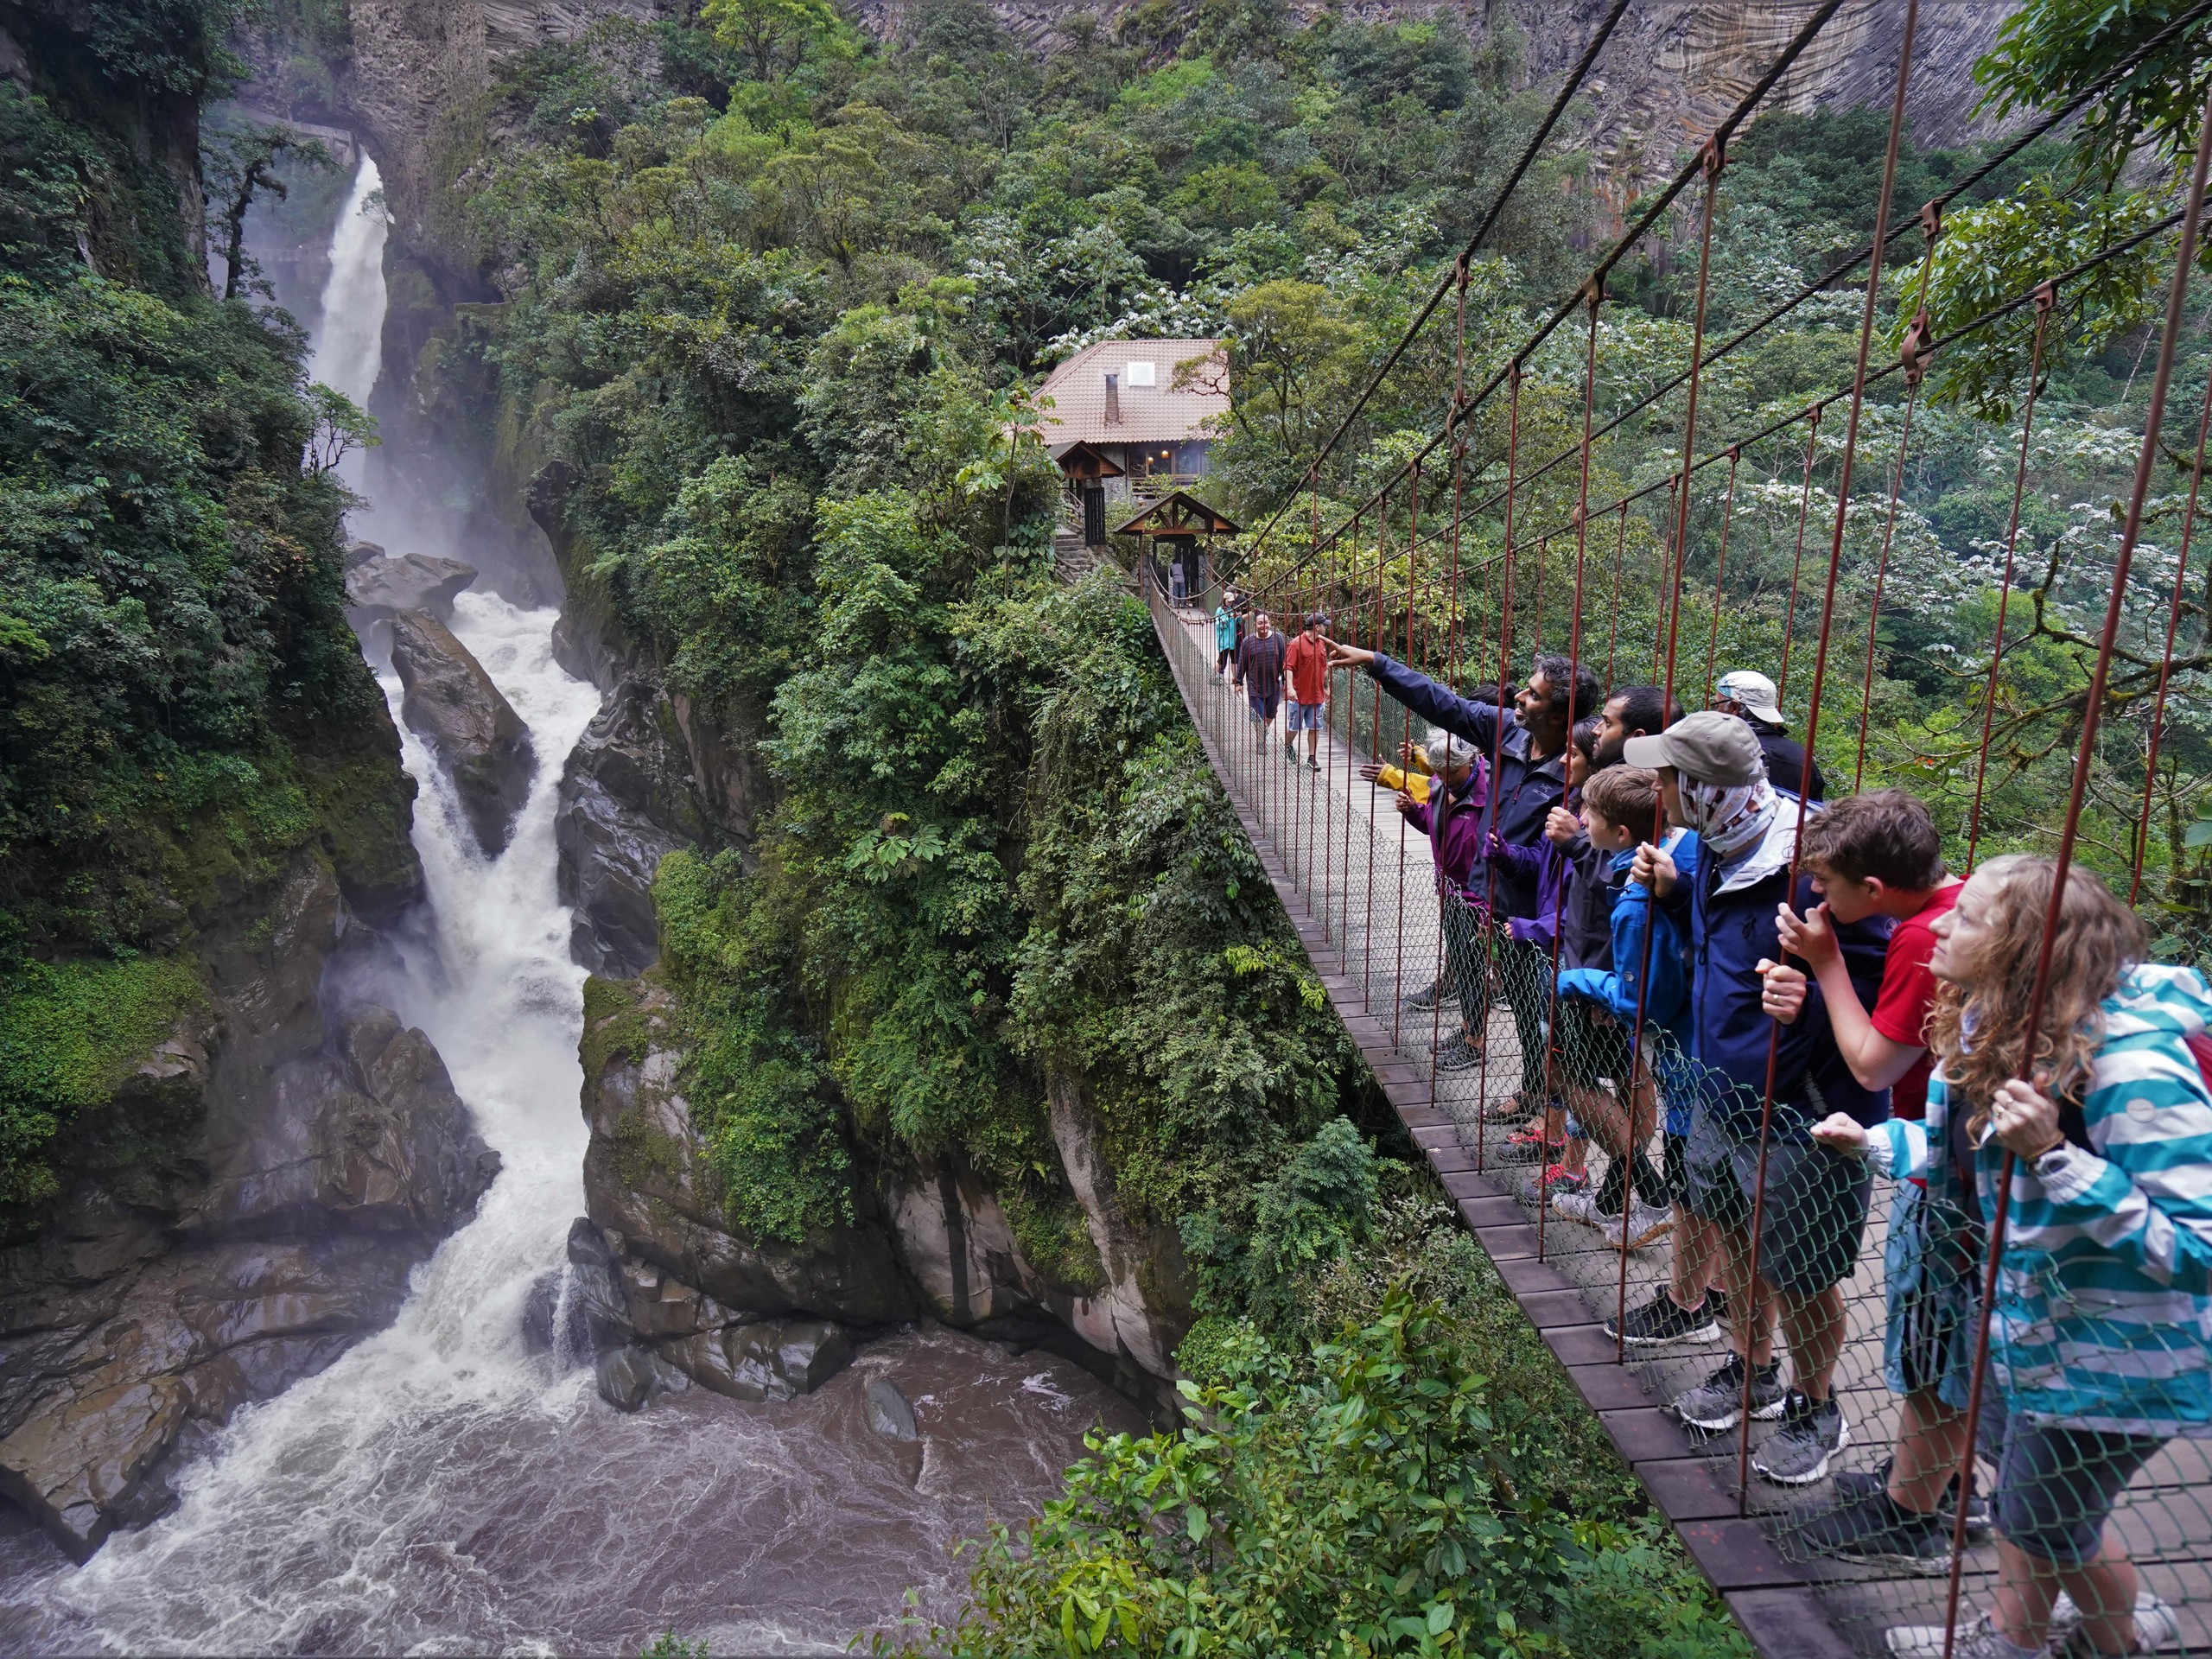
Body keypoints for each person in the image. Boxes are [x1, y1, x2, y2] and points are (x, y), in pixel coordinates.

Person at [1808, 857, 2202, 1659]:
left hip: (2118, 1356)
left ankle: (2110, 1642)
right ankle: (2018, 1637)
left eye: (1969, 917)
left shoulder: (2133, 1066)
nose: (1943, 924)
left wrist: (2059, 1157)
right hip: (2032, 1326)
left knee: (2048, 1519)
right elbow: (1982, 1159)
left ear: (2026, 944)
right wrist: (1880, 1139)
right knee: (2037, 1508)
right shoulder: (2005, 1030)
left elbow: (2199, 1242)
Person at [1624, 711, 1890, 1485]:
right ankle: (1752, 1367)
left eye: (1668, 776)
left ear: (1704, 789)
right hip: (1720, 1084)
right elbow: (1722, 947)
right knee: (1737, 1239)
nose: (1656, 788)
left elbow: (1881, 987)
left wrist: (1809, 994)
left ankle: (1817, 1404)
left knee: (1804, 1269)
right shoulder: (1713, 843)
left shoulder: (1813, 864)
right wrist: (1675, 895)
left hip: (1804, 1111)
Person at [1759, 791, 1970, 1562]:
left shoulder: (1923, 938)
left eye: (1826, 882)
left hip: (1947, 1164)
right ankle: (1933, 1482)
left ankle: (1916, 1517)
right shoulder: (1963, 896)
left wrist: (1825, 965)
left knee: (1932, 1341)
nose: (1817, 894)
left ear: (1874, 892)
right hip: (1961, 1147)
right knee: (1946, 1344)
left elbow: (1875, 1062)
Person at [1323, 636, 1599, 1107]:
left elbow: (1567, 859)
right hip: (1482, 896)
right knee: (1516, 1000)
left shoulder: (1580, 774)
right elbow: (1443, 703)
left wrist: (1510, 860)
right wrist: (1378, 664)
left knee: (1535, 1010)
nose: (1518, 697)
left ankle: (1539, 1094)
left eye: (1532, 694)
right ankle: (1534, 1089)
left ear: (1558, 715)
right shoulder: (1509, 731)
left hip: (1530, 918)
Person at [1548, 764, 1690, 1255]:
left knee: (1568, 1076)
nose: (1580, 818)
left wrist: (1573, 979)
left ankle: (1650, 1196)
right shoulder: (1682, 850)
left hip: (1626, 1008)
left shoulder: (1633, 899)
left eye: (1589, 812)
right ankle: (1616, 1203)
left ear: (1622, 831)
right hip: (1671, 1020)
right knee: (1632, 1085)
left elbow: (1635, 1000)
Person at [1394, 728, 1490, 1073]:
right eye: (1441, 773)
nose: (1446, 779)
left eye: (1453, 772)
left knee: (1473, 969)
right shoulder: (1439, 785)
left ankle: (1476, 1042)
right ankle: (1469, 1029)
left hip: (1478, 902)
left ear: (1472, 760)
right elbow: (1435, 827)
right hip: (1448, 890)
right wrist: (1412, 811)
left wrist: (1489, 910)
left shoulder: (1490, 796)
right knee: (1463, 967)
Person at [1715, 669, 1826, 801]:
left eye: (1716, 705)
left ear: (1734, 708)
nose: (1714, 712)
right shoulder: (1802, 756)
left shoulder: (1731, 755)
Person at [1282, 613, 1332, 772]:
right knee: (1294, 728)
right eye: (1325, 625)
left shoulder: (1322, 644)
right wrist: (1290, 688)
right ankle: (1288, 744)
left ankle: (1312, 757)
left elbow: (1324, 667)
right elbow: (1289, 667)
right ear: (1317, 627)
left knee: (1315, 726)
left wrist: (1326, 686)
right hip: (1299, 695)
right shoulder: (1296, 644)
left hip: (1317, 695)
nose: (1326, 627)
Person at [1234, 612, 1287, 742]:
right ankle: (1261, 740)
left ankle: (1263, 733)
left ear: (1270, 623)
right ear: (1254, 625)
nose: (1264, 625)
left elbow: (1283, 660)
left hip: (1273, 684)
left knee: (1271, 714)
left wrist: (1285, 680)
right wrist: (1238, 682)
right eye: (1260, 623)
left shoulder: (1278, 638)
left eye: (1266, 622)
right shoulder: (1247, 642)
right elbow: (1242, 663)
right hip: (1255, 686)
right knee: (1258, 716)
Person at [1214, 593, 1240, 682]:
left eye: (1231, 602)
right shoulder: (1220, 610)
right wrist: (1230, 618)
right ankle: (1215, 677)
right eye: (1228, 601)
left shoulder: (1233, 610)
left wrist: (1238, 617)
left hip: (1233, 639)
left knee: (1234, 659)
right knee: (1222, 660)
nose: (1230, 603)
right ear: (1224, 600)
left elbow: (1238, 623)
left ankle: (1235, 678)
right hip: (1224, 640)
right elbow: (1219, 625)